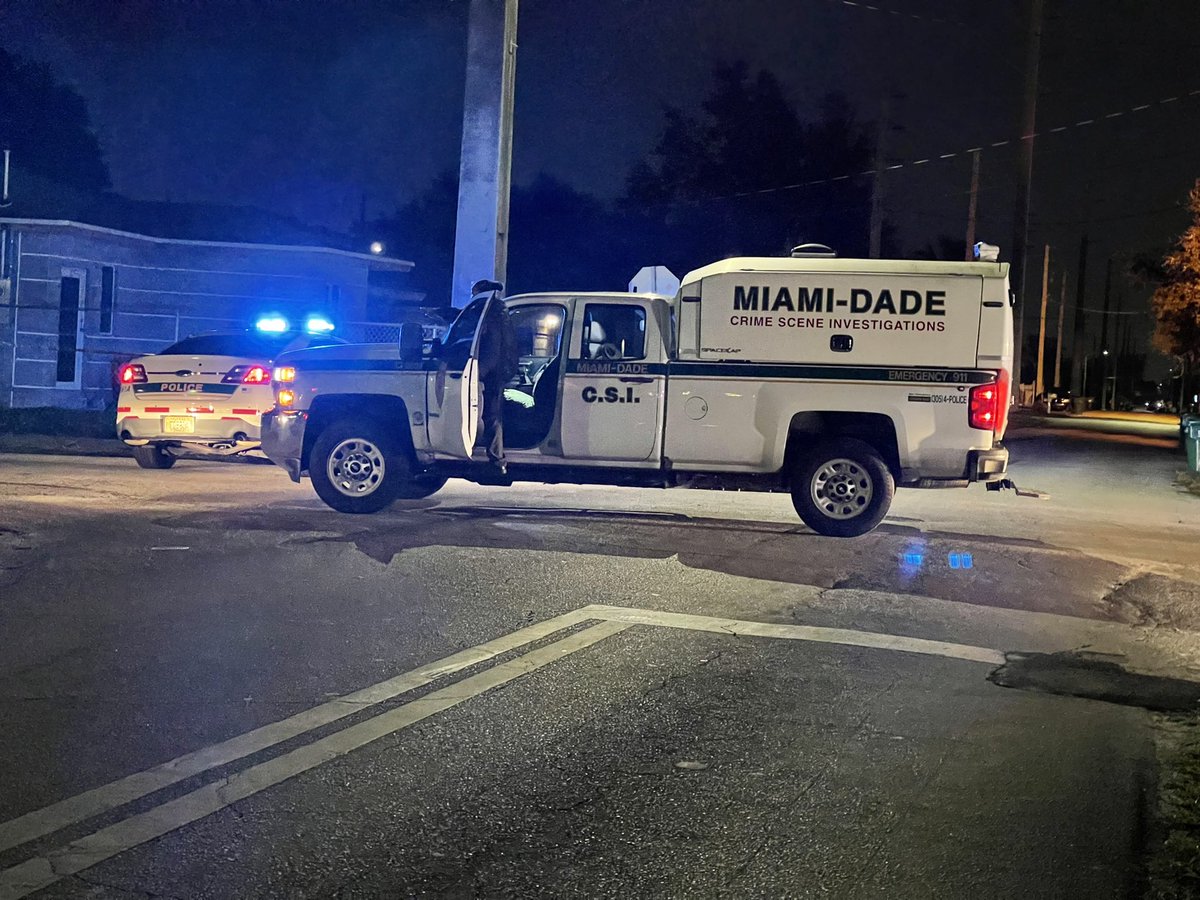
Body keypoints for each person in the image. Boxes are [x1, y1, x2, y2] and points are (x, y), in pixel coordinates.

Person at [473, 280, 519, 474]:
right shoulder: (500, 313)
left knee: (492, 416)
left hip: (493, 374)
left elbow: (492, 350)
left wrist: (478, 374)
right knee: (493, 415)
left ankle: (496, 460)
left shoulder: (491, 317)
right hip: (502, 371)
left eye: (475, 294)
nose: (473, 299)